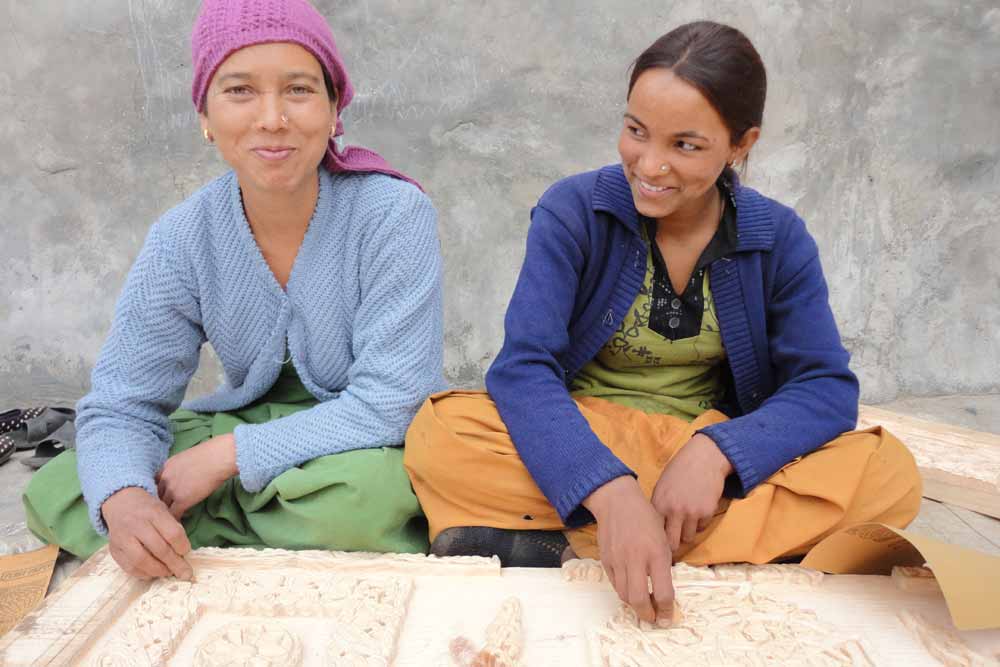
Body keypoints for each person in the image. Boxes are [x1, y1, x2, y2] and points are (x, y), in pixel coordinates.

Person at [404, 21, 921, 624]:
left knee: (890, 474)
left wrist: (715, 452)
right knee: (441, 431)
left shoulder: (777, 237)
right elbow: (523, 371)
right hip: (588, 435)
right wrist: (610, 490)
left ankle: (572, 544)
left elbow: (827, 388)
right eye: (636, 132)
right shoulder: (574, 210)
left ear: (741, 143)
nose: (649, 164)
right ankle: (694, 542)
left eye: (686, 145)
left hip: (697, 455)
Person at [23, 0, 444, 580]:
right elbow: (123, 401)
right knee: (68, 487)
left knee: (368, 498)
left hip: (363, 438)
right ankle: (258, 528)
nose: (272, 119)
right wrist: (125, 500)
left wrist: (226, 459)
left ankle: (209, 531)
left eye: (298, 90)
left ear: (333, 106)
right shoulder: (183, 235)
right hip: (247, 416)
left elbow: (391, 403)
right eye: (240, 91)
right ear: (205, 113)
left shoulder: (393, 213)